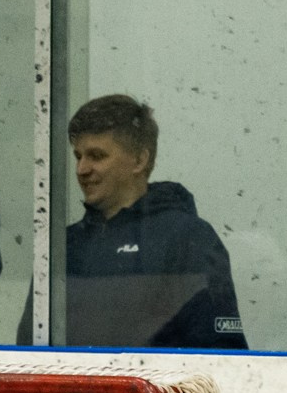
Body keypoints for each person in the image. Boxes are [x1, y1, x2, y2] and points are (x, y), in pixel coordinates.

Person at [26, 94, 248, 350]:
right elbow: (30, 349)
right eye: (78, 156)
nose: (82, 169)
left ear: (140, 160)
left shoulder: (188, 238)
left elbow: (221, 355)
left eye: (97, 156)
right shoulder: (64, 246)